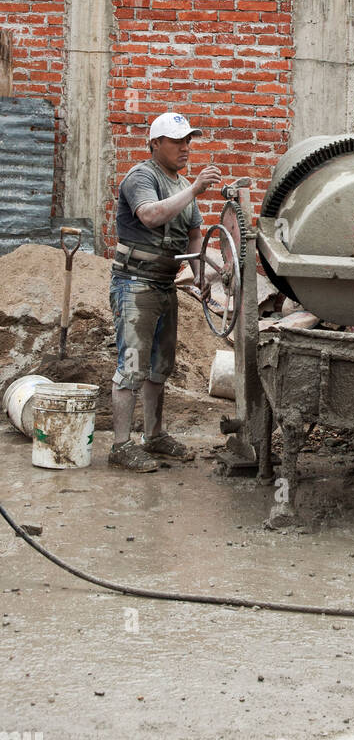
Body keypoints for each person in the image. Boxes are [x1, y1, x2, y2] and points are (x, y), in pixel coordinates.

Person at [108, 112, 221, 472]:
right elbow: (150, 216)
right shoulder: (142, 176)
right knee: (132, 366)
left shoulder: (182, 184)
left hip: (164, 282)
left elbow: (194, 234)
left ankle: (154, 435)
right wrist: (194, 190)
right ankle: (120, 445)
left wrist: (201, 274)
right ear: (155, 144)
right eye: (177, 141)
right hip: (135, 282)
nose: (185, 147)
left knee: (161, 366)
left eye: (189, 140)